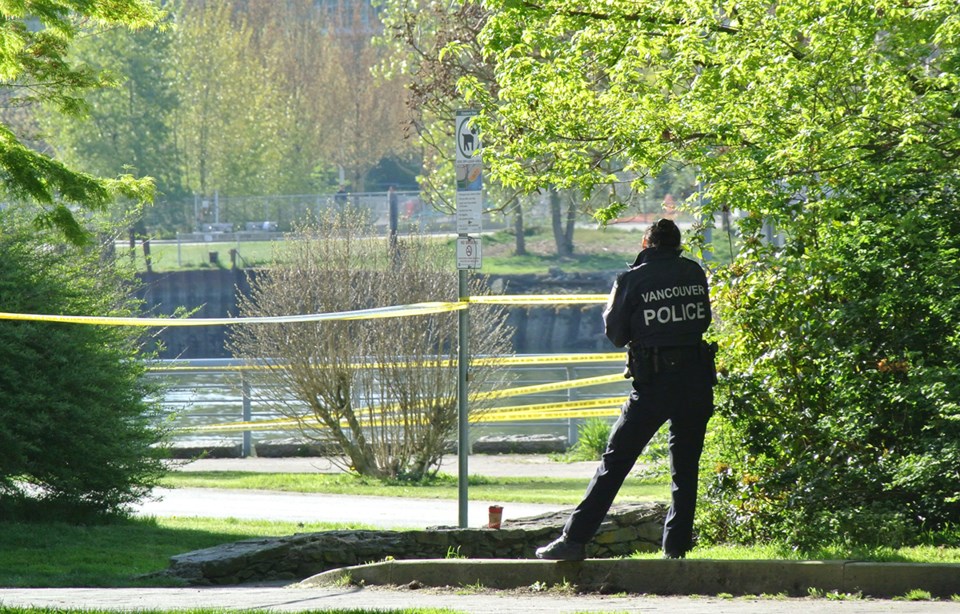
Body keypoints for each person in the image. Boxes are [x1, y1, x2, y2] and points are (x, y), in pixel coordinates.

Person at [536, 218, 716, 561]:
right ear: (677, 246)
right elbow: (702, 320)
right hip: (695, 381)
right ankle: (675, 549)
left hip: (653, 385)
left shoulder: (631, 279)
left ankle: (574, 541)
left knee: (615, 463)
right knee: (686, 469)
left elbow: (616, 334)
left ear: (646, 245)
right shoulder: (693, 272)